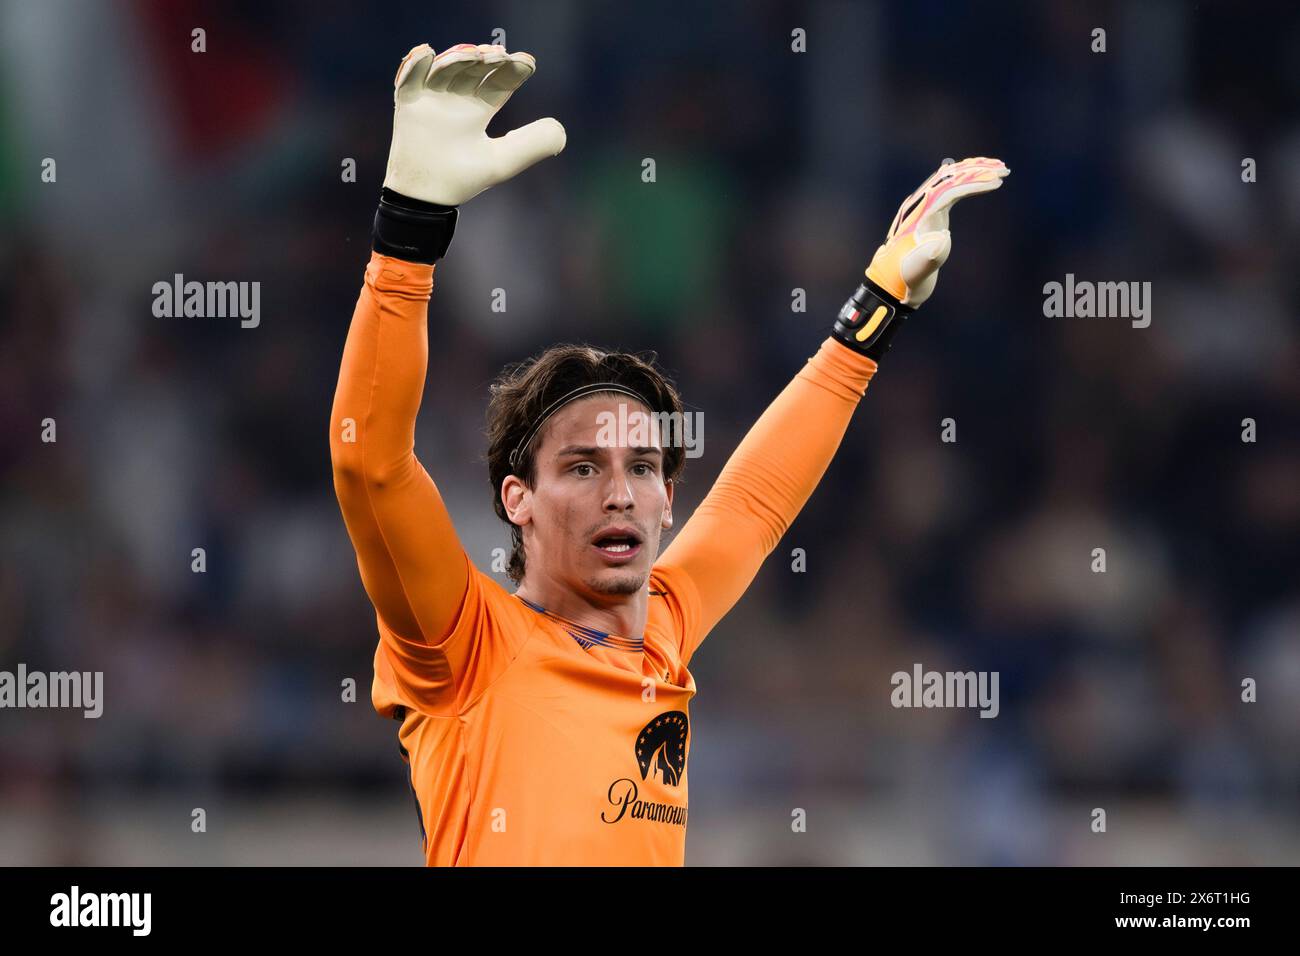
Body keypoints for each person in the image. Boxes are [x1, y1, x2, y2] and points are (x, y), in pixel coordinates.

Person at [329, 42, 1008, 865]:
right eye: (583, 467)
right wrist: (408, 232)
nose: (621, 492)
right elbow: (370, 462)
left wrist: (877, 305)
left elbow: (756, 502)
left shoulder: (665, 636)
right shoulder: (464, 643)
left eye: (643, 468)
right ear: (518, 500)